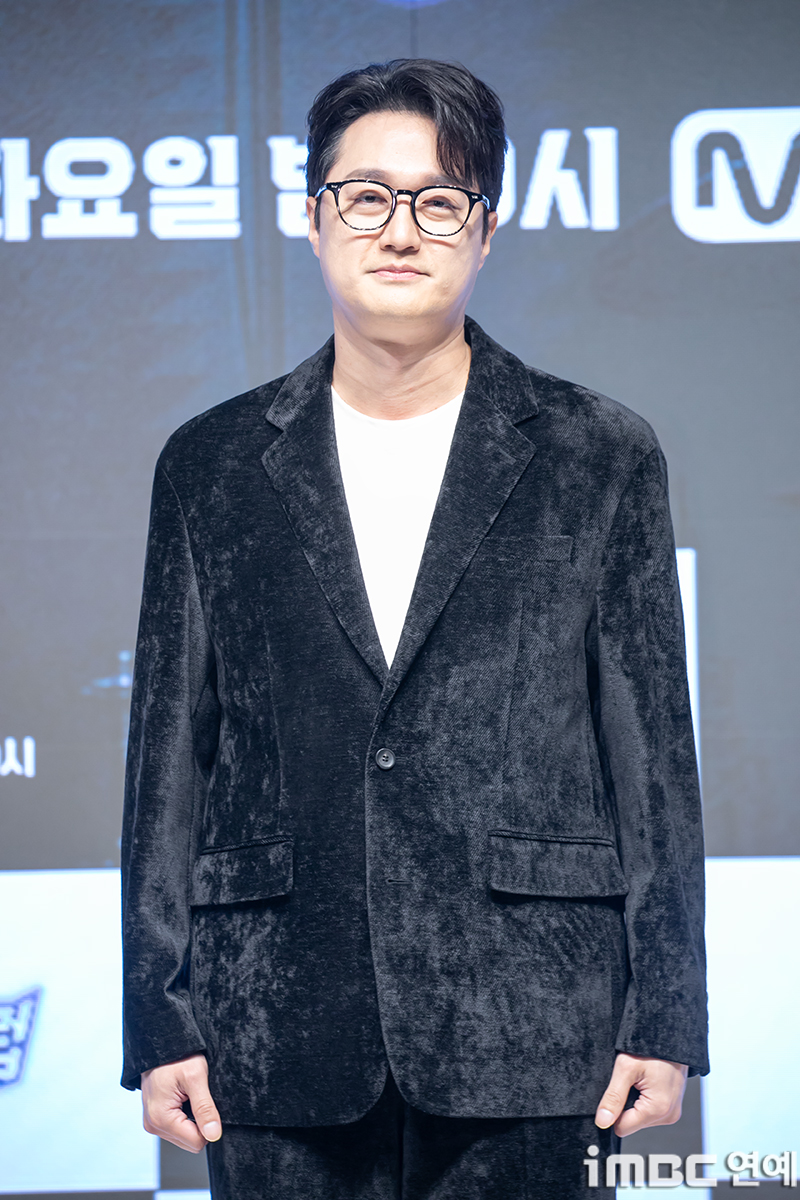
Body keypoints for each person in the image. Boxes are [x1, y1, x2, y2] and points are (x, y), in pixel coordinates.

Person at [121, 59, 708, 1199]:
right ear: (312, 218)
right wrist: (158, 1012)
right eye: (365, 197)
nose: (400, 230)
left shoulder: (597, 452)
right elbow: (167, 766)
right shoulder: (212, 464)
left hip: (534, 1023)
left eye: (439, 200)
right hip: (274, 1022)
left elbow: (652, 758)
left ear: (484, 230)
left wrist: (668, 1012)